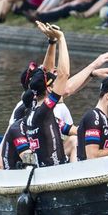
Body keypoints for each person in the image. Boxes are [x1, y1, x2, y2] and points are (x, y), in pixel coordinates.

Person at [23, 24, 72, 167]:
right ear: (50, 90)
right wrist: (62, 38)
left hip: (41, 167)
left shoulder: (31, 105)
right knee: (75, 142)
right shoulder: (44, 110)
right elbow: (64, 74)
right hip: (54, 169)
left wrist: (52, 42)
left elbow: (46, 72)